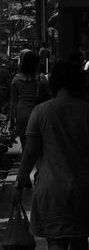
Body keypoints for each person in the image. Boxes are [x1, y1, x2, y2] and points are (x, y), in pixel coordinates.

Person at [12, 60, 89, 250]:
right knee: (80, 238)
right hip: (85, 186)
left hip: (51, 187)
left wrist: (19, 185)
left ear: (54, 82)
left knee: (56, 240)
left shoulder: (41, 111)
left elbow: (30, 153)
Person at [9, 51, 51, 187]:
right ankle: (39, 174)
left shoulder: (15, 80)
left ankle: (25, 177)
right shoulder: (40, 78)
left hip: (21, 114)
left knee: (26, 147)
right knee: (39, 147)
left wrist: (12, 120)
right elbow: (48, 96)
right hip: (36, 114)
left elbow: (13, 102)